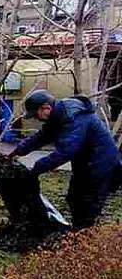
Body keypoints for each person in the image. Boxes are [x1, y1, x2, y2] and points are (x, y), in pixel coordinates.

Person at [9, 90, 122, 228]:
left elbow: (65, 152)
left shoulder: (73, 117)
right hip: (86, 164)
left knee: (88, 204)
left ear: (46, 108)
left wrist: (37, 168)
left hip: (101, 165)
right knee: (74, 198)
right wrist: (17, 151)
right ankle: (79, 232)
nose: (36, 119)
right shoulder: (58, 116)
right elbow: (42, 137)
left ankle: (86, 235)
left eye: (36, 114)